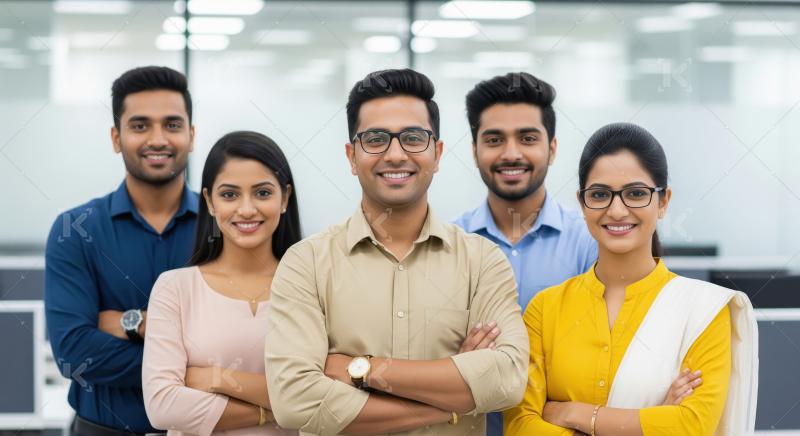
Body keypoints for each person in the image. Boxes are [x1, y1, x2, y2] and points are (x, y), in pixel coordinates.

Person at [264, 68, 529, 436]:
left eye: (413, 138)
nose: (394, 154)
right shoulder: (305, 263)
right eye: (375, 139)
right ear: (351, 156)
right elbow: (295, 401)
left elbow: (507, 379)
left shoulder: (483, 261)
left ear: (437, 154)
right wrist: (450, 396)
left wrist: (361, 369)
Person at [504, 122, 758, 435]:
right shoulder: (545, 309)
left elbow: (692, 426)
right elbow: (520, 425)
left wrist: (572, 412)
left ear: (663, 202)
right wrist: (649, 422)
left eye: (636, 194)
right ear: (583, 204)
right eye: (599, 195)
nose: (617, 210)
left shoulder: (704, 311)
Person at [45, 66, 197, 435]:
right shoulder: (74, 231)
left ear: (191, 136)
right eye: (140, 125)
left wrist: (129, 322)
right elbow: (74, 353)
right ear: (117, 137)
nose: (158, 139)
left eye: (172, 125)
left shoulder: (224, 226)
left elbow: (248, 343)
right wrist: (201, 368)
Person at [454, 72, 598, 436]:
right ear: (474, 150)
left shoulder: (590, 243)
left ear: (551, 148)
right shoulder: (447, 245)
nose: (511, 153)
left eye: (528, 138)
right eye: (494, 139)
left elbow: (600, 362)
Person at [142, 131, 301, 435]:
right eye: (229, 195)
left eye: (263, 193)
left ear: (285, 198)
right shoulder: (175, 288)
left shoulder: (313, 286)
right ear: (210, 202)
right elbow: (162, 406)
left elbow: (327, 393)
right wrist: (276, 411)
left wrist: (215, 377)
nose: (246, 209)